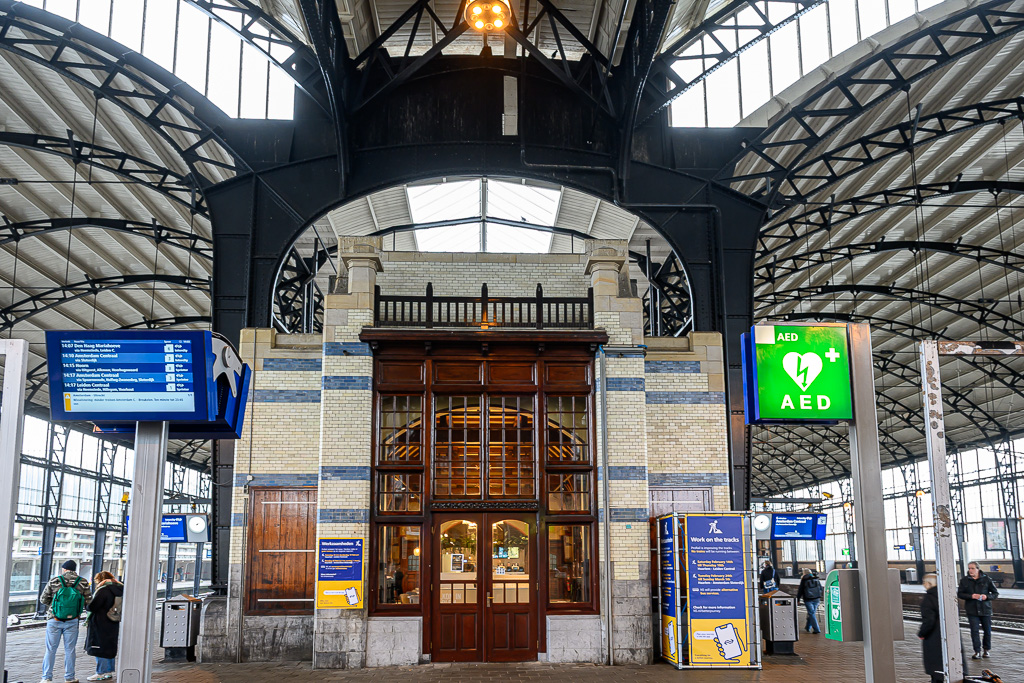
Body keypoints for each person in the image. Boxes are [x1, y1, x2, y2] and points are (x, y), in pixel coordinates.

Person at [40, 559, 92, 683]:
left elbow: (43, 599)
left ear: (64, 569)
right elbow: (89, 602)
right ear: (75, 569)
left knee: (51, 649)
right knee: (70, 650)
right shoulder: (83, 582)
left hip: (54, 619)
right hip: (73, 620)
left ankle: (46, 678)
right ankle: (69, 678)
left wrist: (55, 606)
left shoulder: (55, 580)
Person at [84, 571, 123, 681]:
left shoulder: (104, 590)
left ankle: (101, 672)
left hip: (101, 622)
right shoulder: (119, 589)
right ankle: (108, 671)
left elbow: (93, 606)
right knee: (109, 646)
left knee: (99, 646)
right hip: (113, 621)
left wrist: (87, 605)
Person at [957, 561, 999, 659]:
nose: (970, 570)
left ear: (978, 569)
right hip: (972, 610)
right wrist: (971, 596)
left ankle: (986, 650)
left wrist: (986, 596)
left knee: (987, 631)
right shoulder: (964, 580)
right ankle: (977, 651)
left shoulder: (987, 579)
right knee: (974, 631)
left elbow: (995, 593)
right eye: (969, 568)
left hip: (985, 609)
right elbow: (960, 594)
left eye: (972, 568)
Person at [918, 574, 943, 683]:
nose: (923, 584)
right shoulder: (945, 595)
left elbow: (929, 621)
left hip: (934, 636)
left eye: (924, 582)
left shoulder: (929, 598)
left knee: (936, 667)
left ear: (929, 584)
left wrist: (922, 633)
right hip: (949, 635)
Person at [796, 568, 823, 634]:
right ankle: (808, 627)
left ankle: (816, 629)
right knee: (811, 613)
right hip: (816, 598)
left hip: (808, 599)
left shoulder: (804, 580)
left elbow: (800, 590)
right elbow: (821, 588)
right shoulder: (816, 578)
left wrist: (798, 599)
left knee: (811, 613)